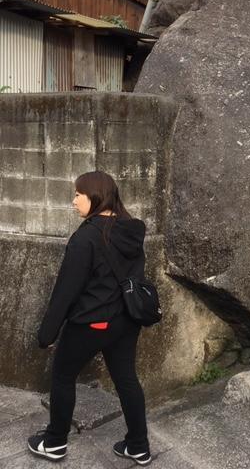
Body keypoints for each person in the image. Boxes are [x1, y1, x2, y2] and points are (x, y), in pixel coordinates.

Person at [27, 171, 152, 466]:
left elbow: (65, 292)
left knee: (62, 376)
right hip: (126, 320)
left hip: (92, 322)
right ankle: (138, 445)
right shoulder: (131, 231)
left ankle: (55, 442)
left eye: (77, 195)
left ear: (94, 197)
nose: (73, 201)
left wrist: (47, 334)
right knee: (126, 380)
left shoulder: (85, 238)